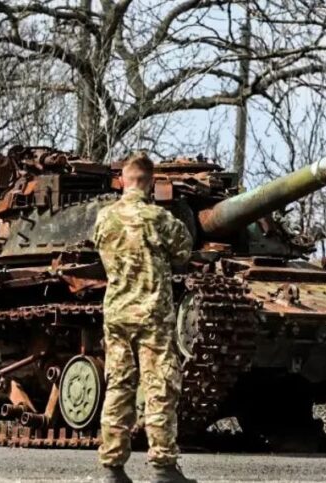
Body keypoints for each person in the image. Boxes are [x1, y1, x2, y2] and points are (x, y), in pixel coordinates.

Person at [93, 153, 195, 483]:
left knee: (118, 387)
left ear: (123, 180)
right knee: (160, 386)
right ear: (151, 182)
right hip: (153, 314)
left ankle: (112, 467)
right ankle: (163, 467)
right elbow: (183, 252)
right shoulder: (159, 219)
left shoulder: (104, 219)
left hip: (117, 313)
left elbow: (99, 250)